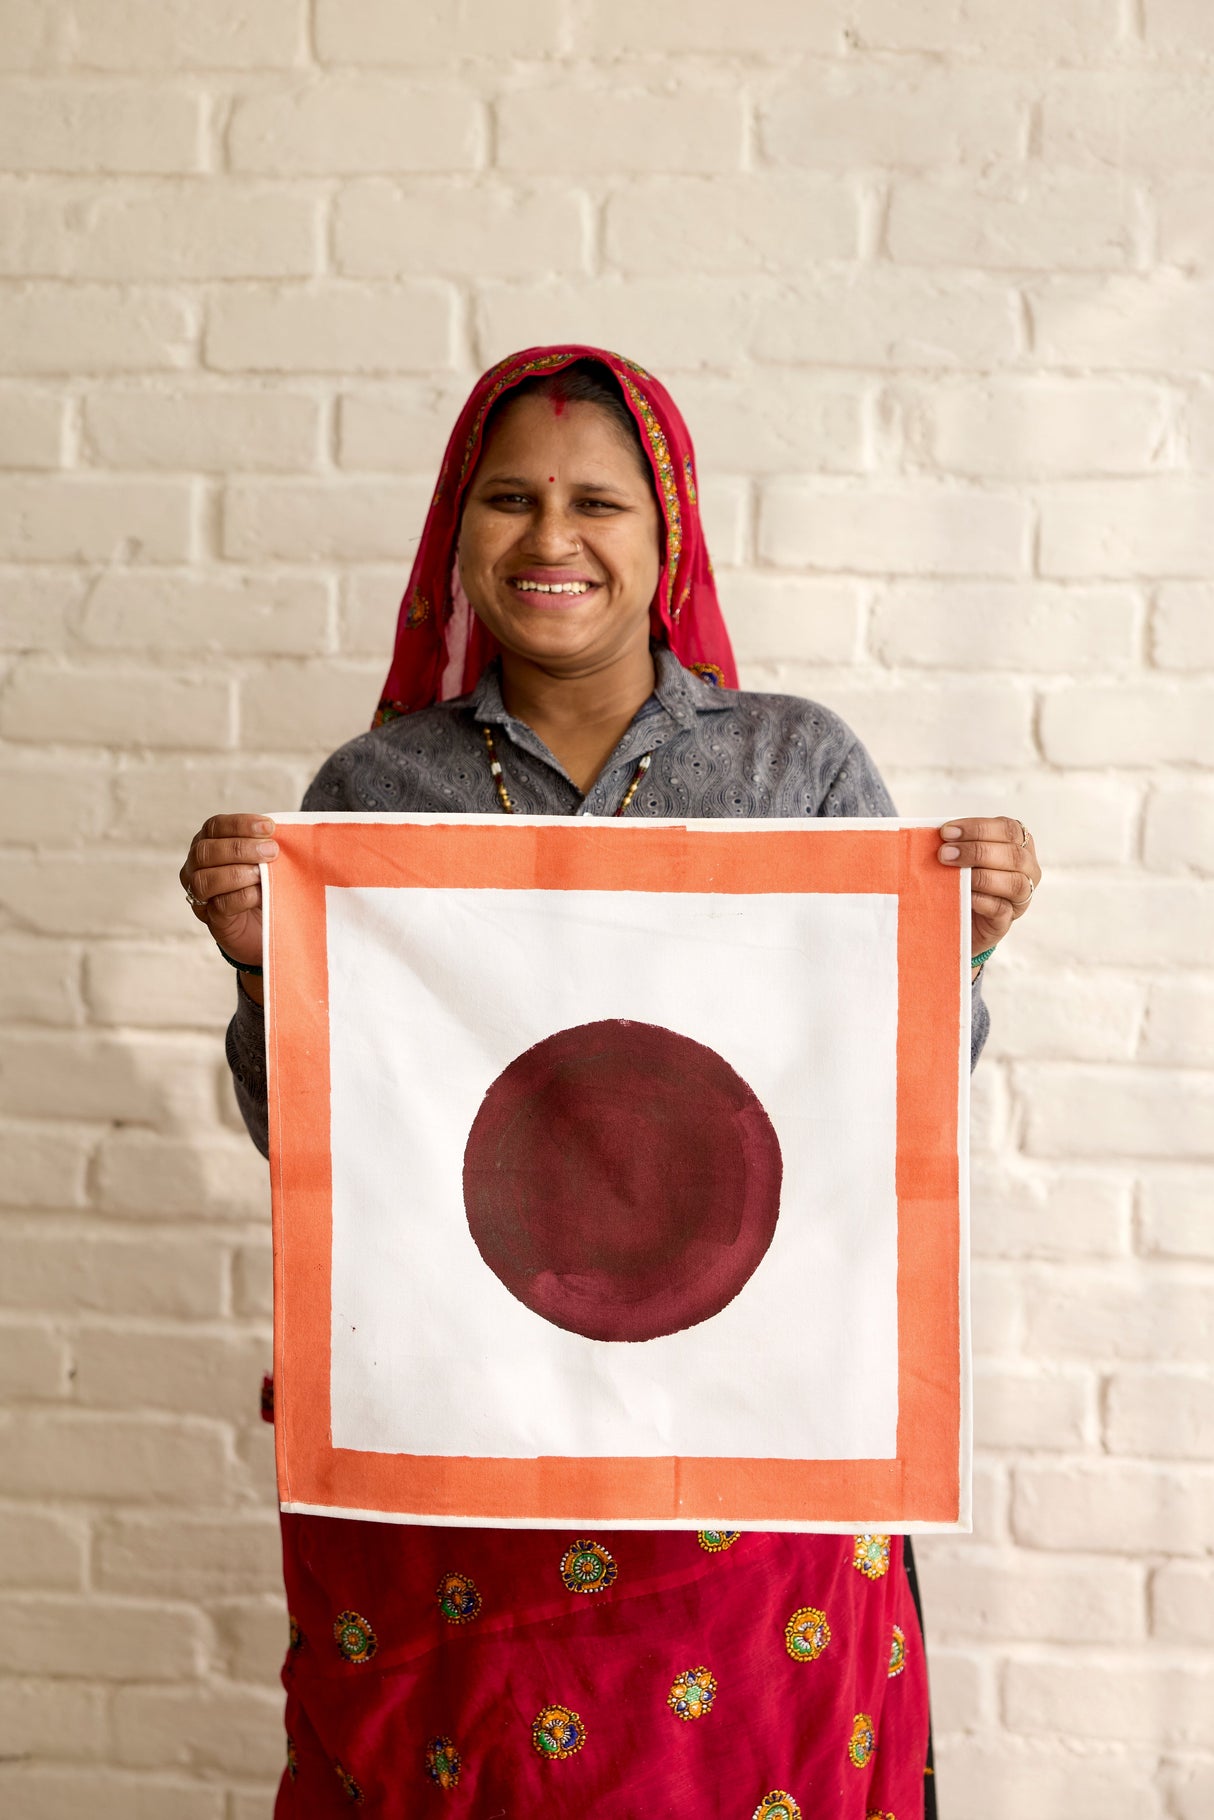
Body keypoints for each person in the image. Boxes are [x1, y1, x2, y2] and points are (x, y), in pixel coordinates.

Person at [180, 345, 1041, 1819]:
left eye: (597, 502)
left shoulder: (791, 770)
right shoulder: (376, 791)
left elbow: (882, 1115)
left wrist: (957, 953)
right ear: (458, 534)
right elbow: (315, 1147)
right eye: (509, 498)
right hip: (465, 1454)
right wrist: (262, 969)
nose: (551, 538)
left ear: (668, 533)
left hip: (743, 1461)